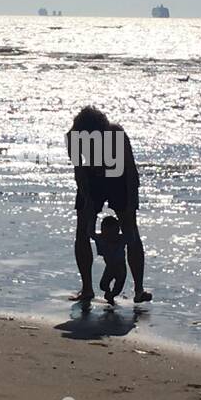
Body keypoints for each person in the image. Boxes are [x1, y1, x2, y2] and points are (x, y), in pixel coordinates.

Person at [66, 105, 152, 303]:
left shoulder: (117, 134)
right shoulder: (74, 137)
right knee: (82, 231)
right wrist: (87, 200)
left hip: (117, 175)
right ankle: (87, 288)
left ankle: (139, 289)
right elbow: (79, 172)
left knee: (131, 230)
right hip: (92, 177)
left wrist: (131, 202)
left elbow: (130, 170)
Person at [93, 215, 128, 303]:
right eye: (106, 233)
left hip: (121, 268)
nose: (110, 237)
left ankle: (112, 295)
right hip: (109, 268)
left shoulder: (121, 238)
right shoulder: (101, 239)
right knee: (103, 285)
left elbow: (131, 234)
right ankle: (108, 292)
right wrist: (91, 218)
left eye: (112, 234)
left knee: (117, 288)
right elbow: (90, 233)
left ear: (117, 231)